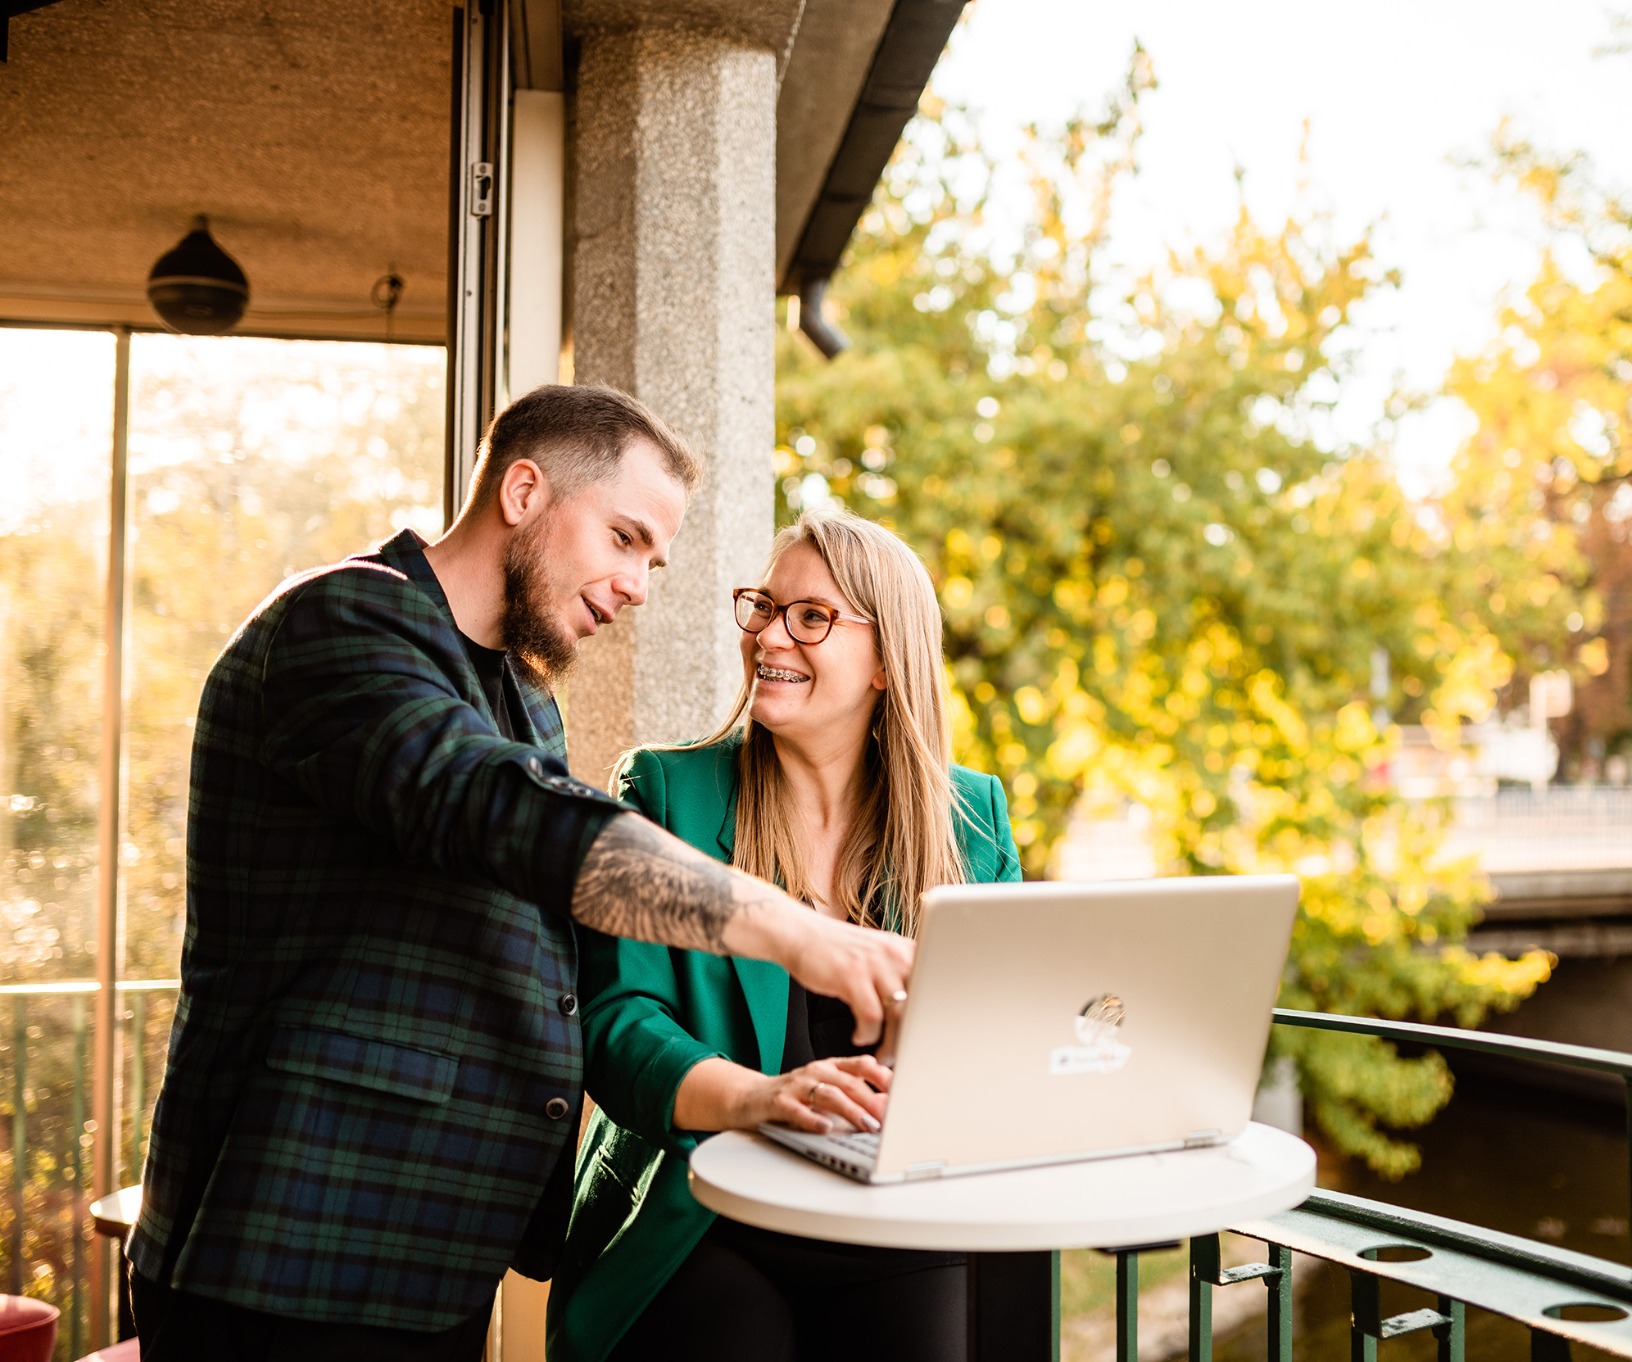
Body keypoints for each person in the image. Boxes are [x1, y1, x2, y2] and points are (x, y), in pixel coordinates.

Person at [127, 386, 916, 1362]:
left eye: (652, 560)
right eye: (623, 538)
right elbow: (500, 813)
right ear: (525, 488)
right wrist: (802, 933)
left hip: (432, 1251)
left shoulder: (519, 698)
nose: (636, 584)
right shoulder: (342, 625)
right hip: (287, 1246)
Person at [547, 509, 1022, 1362]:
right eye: (765, 607)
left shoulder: (972, 818)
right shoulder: (666, 789)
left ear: (886, 662)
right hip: (704, 1210)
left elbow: (1006, 1031)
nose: (770, 635)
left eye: (812, 617)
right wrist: (761, 1101)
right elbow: (618, 1025)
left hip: (903, 1214)